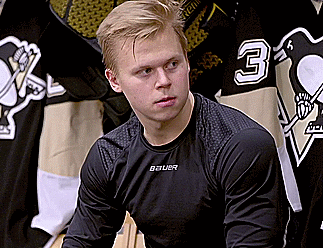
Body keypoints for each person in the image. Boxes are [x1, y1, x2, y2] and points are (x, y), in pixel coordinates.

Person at [61, 0, 288, 247]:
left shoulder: (241, 146)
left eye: (172, 64)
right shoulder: (109, 156)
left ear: (187, 62)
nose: (163, 81)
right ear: (114, 80)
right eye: (145, 71)